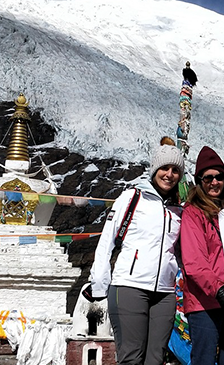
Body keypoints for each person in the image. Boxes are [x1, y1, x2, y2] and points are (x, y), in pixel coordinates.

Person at [83, 140, 185, 365]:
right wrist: (100, 283)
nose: (169, 174)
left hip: (165, 293)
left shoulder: (179, 209)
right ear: (154, 170)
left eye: (175, 170)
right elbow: (107, 240)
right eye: (164, 168)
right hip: (129, 287)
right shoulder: (132, 198)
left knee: (156, 359)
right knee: (131, 358)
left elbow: (179, 252)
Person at [179, 146, 224, 365]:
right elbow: (194, 261)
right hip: (204, 302)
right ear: (199, 181)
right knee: (204, 360)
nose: (214, 182)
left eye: (219, 177)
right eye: (208, 178)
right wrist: (218, 290)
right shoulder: (192, 213)